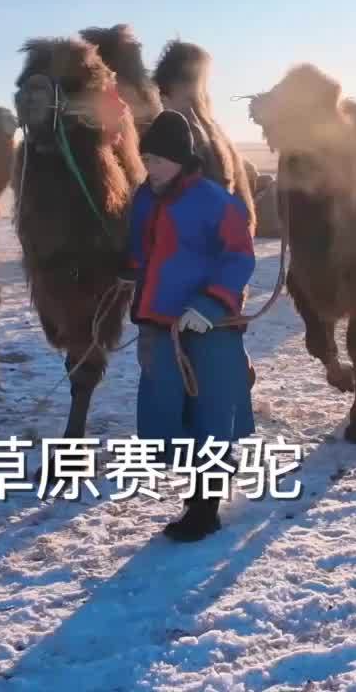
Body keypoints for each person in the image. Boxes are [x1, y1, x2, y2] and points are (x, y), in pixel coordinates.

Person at [125, 109, 258, 542]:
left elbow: (239, 256)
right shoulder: (146, 197)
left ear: (181, 159)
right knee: (167, 411)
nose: (151, 168)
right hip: (160, 324)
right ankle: (197, 494)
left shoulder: (217, 202)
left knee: (212, 414)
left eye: (158, 161)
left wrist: (211, 302)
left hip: (207, 326)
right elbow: (141, 248)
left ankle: (206, 509)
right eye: (147, 160)